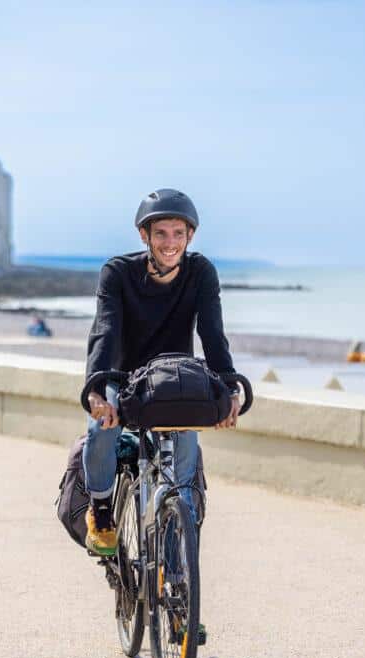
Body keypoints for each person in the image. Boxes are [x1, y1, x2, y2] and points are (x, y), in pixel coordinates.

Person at [83, 189, 242, 559]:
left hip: (175, 382)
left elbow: (213, 335)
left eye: (178, 234)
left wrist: (229, 387)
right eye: (161, 234)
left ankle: (176, 580)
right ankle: (103, 512)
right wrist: (94, 388)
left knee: (183, 478)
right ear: (144, 235)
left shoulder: (201, 272)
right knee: (99, 429)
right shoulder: (117, 273)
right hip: (122, 378)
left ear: (190, 236)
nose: (170, 243)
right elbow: (104, 330)